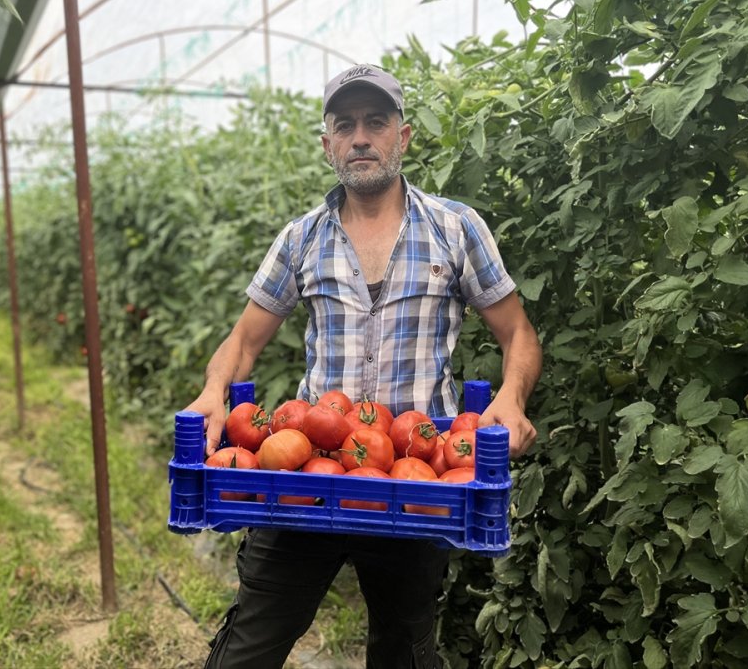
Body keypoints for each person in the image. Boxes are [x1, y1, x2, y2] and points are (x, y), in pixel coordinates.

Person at [186, 64, 542, 669]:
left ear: (402, 137)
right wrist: (215, 388)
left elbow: (518, 334)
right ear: (327, 145)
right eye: (344, 125)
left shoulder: (456, 229)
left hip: (416, 477)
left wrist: (512, 396)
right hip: (307, 470)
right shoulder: (301, 238)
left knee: (403, 649)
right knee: (250, 645)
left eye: (375, 122)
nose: (360, 137)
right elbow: (243, 341)